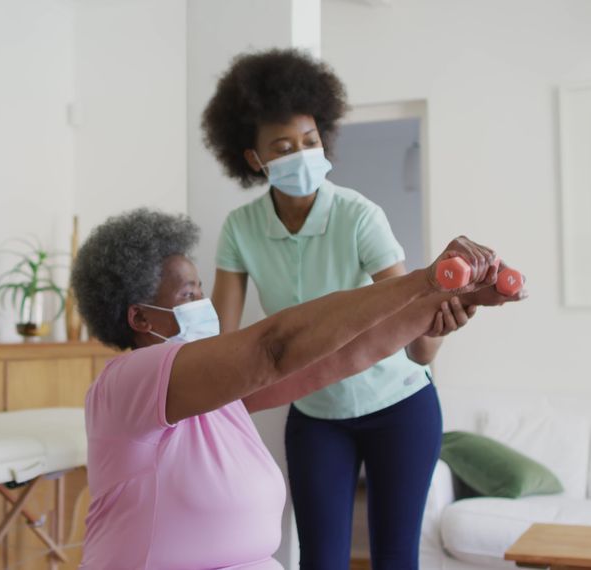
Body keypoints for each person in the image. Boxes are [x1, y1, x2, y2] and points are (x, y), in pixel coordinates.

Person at [70, 208, 523, 569]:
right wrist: (423, 279)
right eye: (189, 295)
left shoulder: (213, 397)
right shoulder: (128, 381)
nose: (204, 304)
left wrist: (444, 301)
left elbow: (337, 359)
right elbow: (275, 348)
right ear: (140, 319)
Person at [201, 47, 494, 568]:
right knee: (320, 561)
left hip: (401, 407)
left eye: (310, 141)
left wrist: (447, 316)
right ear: (254, 158)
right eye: (283, 147)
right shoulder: (241, 229)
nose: (301, 154)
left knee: (394, 558)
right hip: (317, 417)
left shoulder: (359, 216)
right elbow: (222, 345)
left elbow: (422, 350)